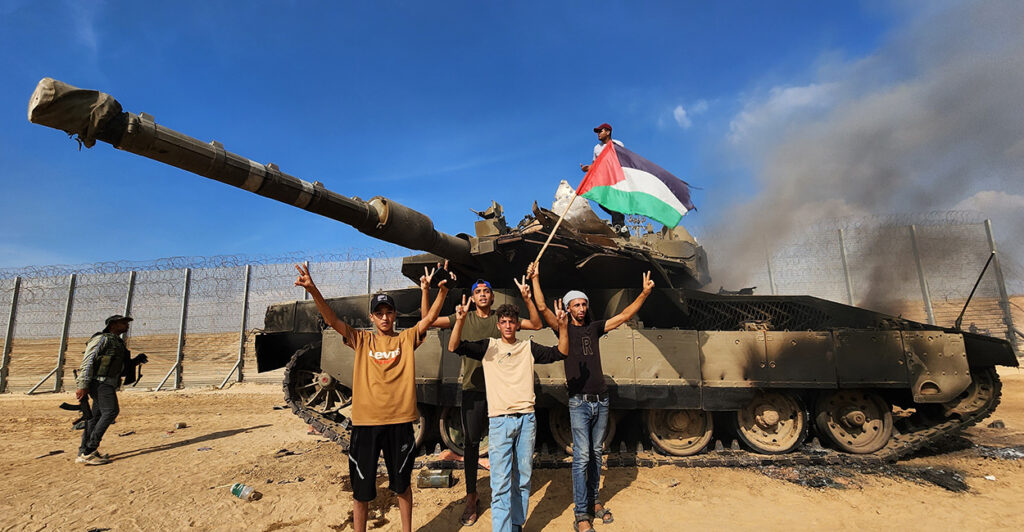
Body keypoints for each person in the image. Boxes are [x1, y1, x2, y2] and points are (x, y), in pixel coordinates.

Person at [295, 263, 450, 532]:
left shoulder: (406, 339)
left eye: (389, 312)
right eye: (379, 313)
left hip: (400, 423)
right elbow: (332, 321)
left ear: (395, 315)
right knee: (362, 490)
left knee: (402, 485)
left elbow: (428, 320)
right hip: (366, 424)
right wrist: (313, 290)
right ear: (372, 317)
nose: (384, 318)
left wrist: (443, 292)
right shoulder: (361, 340)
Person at [528, 262, 654, 532]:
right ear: (568, 308)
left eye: (584, 304)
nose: (582, 309)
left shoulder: (594, 328)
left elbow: (623, 316)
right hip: (579, 402)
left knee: (596, 454)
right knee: (582, 456)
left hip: (601, 400)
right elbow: (542, 308)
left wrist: (644, 294)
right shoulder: (563, 329)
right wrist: (535, 279)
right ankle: (581, 514)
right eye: (576, 305)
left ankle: (595, 501)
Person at [420, 263, 543, 527]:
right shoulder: (464, 315)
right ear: (473, 297)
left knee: (510, 450)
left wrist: (527, 298)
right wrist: (428, 291)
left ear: (493, 297)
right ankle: (471, 497)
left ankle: (510, 501)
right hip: (474, 390)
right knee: (472, 445)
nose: (483, 295)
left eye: (486, 291)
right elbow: (427, 320)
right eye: (478, 292)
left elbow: (535, 324)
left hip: (505, 395)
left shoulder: (503, 319)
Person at [448, 297, 569, 532]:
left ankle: (516, 525)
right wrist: (460, 320)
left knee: (523, 479)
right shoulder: (489, 347)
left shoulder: (528, 348)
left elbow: (561, 352)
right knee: (500, 483)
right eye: (503, 322)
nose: (507, 326)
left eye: (511, 321)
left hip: (526, 419)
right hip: (500, 421)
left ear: (517, 325)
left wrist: (563, 327)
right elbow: (455, 347)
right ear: (498, 325)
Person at [75, 314, 147, 465]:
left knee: (95, 417)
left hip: (107, 383)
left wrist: (135, 361)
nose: (127, 325)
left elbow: (118, 366)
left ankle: (83, 451)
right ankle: (89, 452)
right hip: (100, 383)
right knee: (111, 412)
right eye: (123, 323)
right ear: (112, 325)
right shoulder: (101, 339)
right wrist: (82, 385)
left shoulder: (117, 342)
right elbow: (88, 361)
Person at [579, 122, 627, 232]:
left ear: (608, 132)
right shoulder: (597, 148)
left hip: (616, 178)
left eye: (600, 131)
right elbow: (595, 164)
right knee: (602, 203)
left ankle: (618, 226)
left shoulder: (618, 144)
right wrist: (588, 168)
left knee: (613, 201)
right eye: (598, 132)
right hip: (604, 179)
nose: (598, 134)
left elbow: (623, 160)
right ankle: (620, 219)